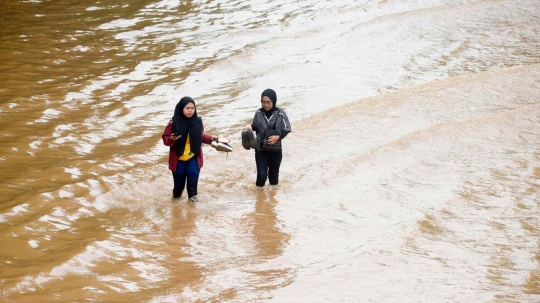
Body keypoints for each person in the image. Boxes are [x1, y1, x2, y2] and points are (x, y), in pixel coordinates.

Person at [162, 97, 218, 202]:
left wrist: (212, 140)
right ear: (181, 108)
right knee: (178, 189)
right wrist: (171, 138)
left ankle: (192, 214)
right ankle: (175, 209)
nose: (190, 110)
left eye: (192, 108)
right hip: (178, 159)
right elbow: (165, 139)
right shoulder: (173, 123)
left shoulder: (198, 121)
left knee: (192, 190)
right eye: (187, 108)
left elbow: (199, 136)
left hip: (193, 158)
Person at [244, 89, 291, 189]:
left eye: (268, 102)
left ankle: (271, 200)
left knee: (273, 178)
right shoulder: (258, 113)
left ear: (273, 101)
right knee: (261, 175)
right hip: (261, 150)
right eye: (263, 102)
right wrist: (250, 127)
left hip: (276, 151)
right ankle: (259, 196)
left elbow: (287, 128)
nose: (265, 105)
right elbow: (255, 126)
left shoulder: (280, 113)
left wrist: (278, 137)